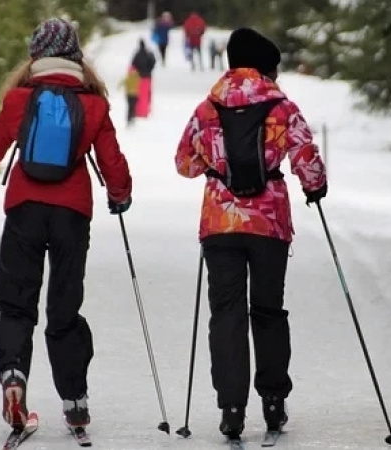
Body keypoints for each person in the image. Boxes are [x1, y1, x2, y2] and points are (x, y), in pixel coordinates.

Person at [0, 18, 133, 433]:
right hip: (73, 215)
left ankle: (14, 376)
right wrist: (120, 196)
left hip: (24, 210)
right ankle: (74, 399)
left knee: (17, 304)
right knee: (64, 309)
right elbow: (113, 165)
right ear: (75, 54)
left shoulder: (21, 99)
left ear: (36, 54)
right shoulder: (93, 103)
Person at [174, 27, 327, 440]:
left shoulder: (208, 107)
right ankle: (273, 401)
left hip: (220, 224)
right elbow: (306, 156)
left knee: (227, 313)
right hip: (268, 223)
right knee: (268, 310)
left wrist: (214, 165)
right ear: (267, 67)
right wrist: (315, 187)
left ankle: (232, 407)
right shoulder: (281, 105)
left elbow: (184, 164)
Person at [130, 39, 157, 118]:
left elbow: (133, 64)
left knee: (140, 95)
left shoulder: (137, 54)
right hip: (148, 77)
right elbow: (153, 62)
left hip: (139, 77)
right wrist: (149, 69)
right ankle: (146, 111)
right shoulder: (149, 54)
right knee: (147, 94)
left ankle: (139, 111)